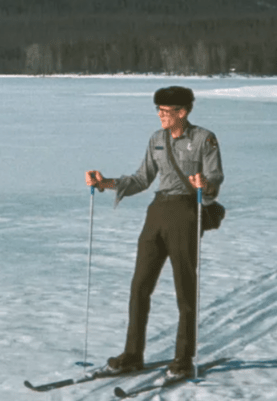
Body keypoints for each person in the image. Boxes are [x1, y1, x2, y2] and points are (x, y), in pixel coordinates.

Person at [85, 86, 224, 380]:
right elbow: (141, 178)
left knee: (184, 290)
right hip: (157, 213)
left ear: (182, 112)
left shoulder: (204, 139)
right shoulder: (157, 139)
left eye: (165, 111)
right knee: (140, 286)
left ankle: (183, 358)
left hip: (186, 213)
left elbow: (214, 180)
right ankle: (132, 355)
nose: (160, 116)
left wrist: (204, 186)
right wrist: (105, 182)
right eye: (158, 110)